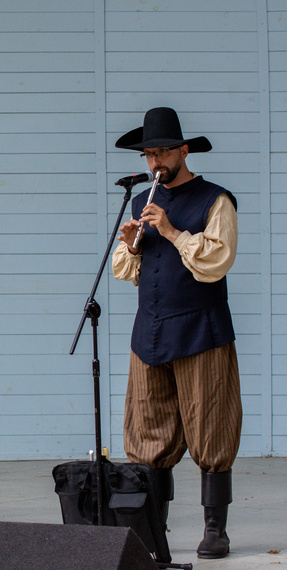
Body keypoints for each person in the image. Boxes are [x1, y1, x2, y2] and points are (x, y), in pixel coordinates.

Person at [112, 107, 242, 559]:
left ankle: (214, 529)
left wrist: (170, 230)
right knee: (149, 434)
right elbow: (128, 271)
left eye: (163, 151)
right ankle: (154, 529)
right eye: (149, 154)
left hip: (200, 331)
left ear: (184, 151)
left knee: (211, 427)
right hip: (148, 334)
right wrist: (132, 242)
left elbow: (216, 261)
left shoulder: (214, 199)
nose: (155, 162)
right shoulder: (139, 202)